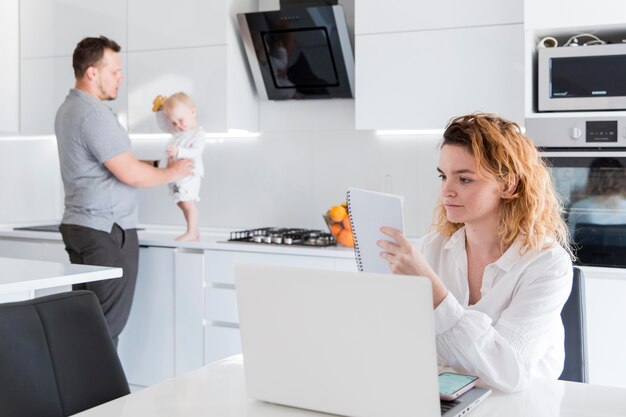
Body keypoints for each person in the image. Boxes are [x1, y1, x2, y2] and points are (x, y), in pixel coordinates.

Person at [377, 113, 574, 393]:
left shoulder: (547, 265)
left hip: (522, 406)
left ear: (508, 185)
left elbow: (508, 373)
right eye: (443, 176)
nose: (446, 191)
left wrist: (434, 292)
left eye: (465, 179)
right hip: (444, 398)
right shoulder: (430, 248)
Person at [55, 36, 194, 347]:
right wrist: (173, 172)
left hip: (82, 226)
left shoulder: (70, 109)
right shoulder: (93, 113)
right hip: (105, 230)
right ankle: (103, 396)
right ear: (92, 72)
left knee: (87, 324)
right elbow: (129, 173)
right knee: (105, 329)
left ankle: (83, 395)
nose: (121, 77)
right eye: (115, 71)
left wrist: (159, 163)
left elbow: (112, 164)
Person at [153, 92, 206, 241]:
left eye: (181, 120)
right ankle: (192, 231)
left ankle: (192, 232)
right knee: (182, 202)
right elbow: (163, 124)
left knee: (188, 202)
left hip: (189, 173)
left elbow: (197, 151)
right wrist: (159, 110)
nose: (178, 126)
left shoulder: (197, 134)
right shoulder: (178, 131)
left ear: (193, 112)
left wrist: (179, 151)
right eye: (174, 123)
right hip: (177, 174)